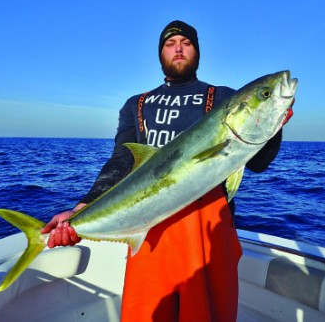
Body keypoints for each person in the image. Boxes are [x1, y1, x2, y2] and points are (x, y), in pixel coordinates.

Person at [41, 20, 293, 321]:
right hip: (146, 231)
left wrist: (272, 123)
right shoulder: (137, 105)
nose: (178, 48)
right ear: (160, 52)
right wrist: (85, 205)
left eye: (186, 43)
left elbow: (258, 163)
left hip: (206, 238)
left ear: (197, 52)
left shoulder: (224, 97)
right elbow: (122, 161)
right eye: (170, 43)